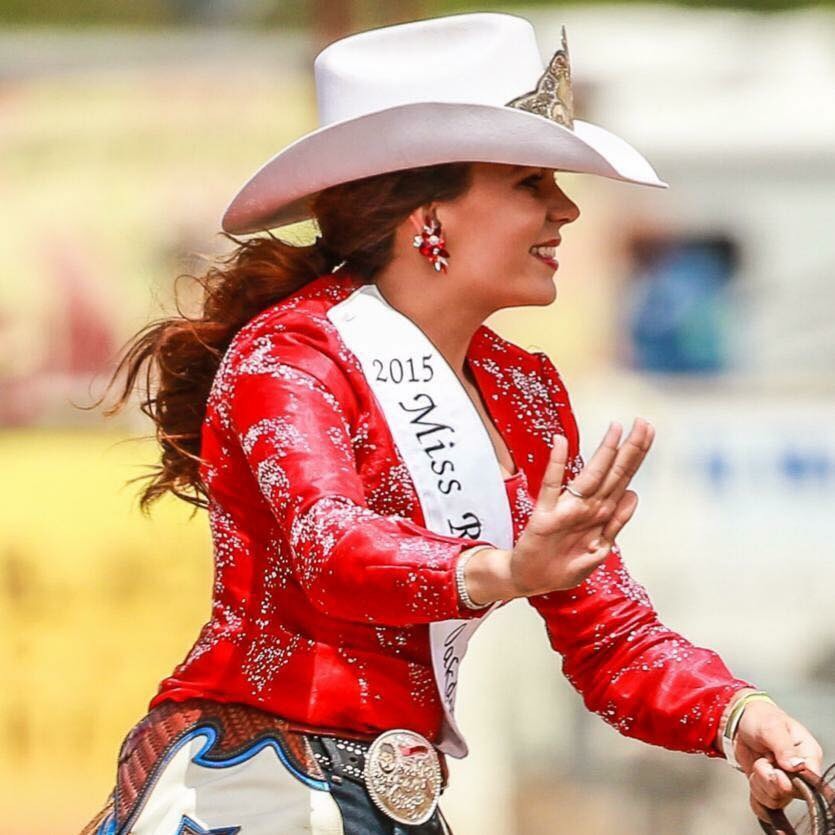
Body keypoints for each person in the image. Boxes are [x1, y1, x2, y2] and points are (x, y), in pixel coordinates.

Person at [81, 12, 824, 835]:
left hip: (393, 800)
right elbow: (331, 548)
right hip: (255, 788)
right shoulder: (288, 357)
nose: (566, 210)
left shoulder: (524, 388)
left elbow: (608, 635)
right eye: (529, 183)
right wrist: (505, 568)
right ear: (425, 212)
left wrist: (735, 714)